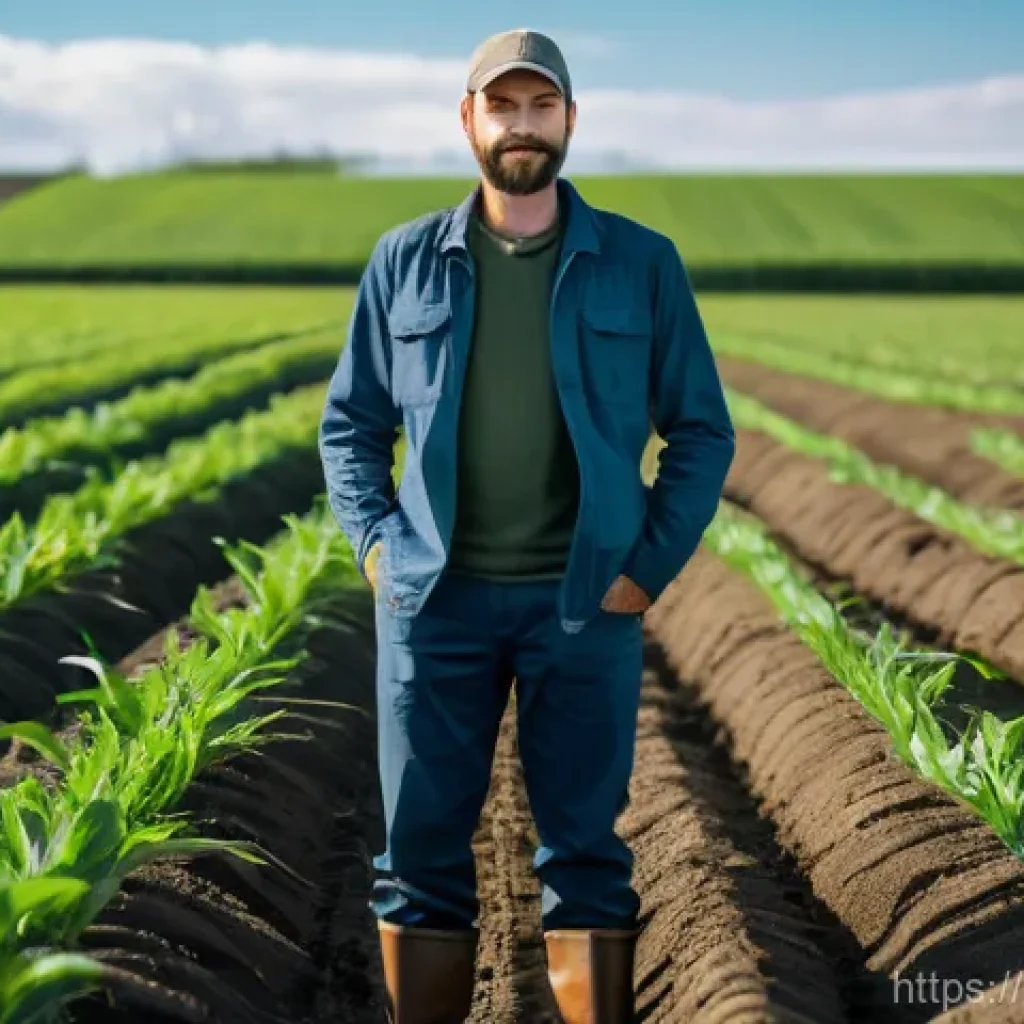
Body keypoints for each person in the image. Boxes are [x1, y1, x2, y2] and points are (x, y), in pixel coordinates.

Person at [318, 27, 735, 1024]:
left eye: (539, 107)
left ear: (570, 121)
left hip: (584, 606)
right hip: (436, 604)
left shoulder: (639, 263)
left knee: (586, 851)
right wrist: (377, 545)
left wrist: (645, 568)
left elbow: (702, 432)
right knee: (417, 854)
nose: (521, 126)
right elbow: (351, 425)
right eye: (501, 106)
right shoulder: (403, 261)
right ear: (468, 121)